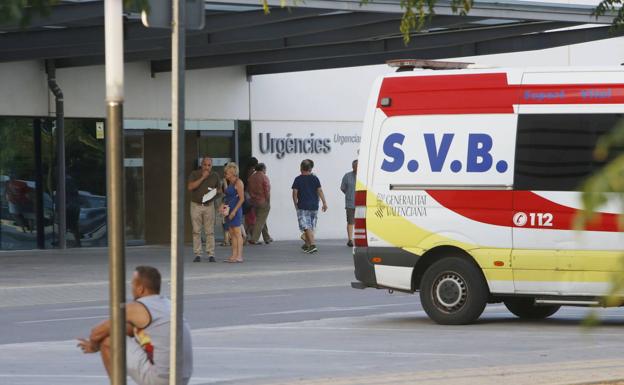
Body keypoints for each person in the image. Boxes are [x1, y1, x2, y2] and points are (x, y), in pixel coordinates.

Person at [77, 266, 193, 385]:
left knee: (109, 341)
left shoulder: (137, 307)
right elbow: (128, 330)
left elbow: (96, 333)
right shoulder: (168, 305)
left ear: (140, 289)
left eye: (133, 285)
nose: (131, 289)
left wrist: (94, 346)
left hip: (160, 379)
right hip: (181, 378)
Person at [187, 156, 221, 263]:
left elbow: (219, 189)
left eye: (209, 165)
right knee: (196, 230)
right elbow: (190, 187)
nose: (207, 167)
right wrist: (202, 178)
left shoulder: (215, 175)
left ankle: (211, 254)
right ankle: (198, 254)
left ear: (212, 166)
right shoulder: (194, 174)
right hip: (196, 205)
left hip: (209, 205)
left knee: (209, 231)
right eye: (205, 165)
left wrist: (215, 193)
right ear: (201, 165)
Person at [291, 159, 327, 254]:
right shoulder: (315, 178)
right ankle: (307, 244)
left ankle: (312, 245)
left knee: (306, 226)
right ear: (311, 168)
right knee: (310, 226)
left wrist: (296, 204)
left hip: (303, 206)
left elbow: (295, 193)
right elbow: (320, 191)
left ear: (301, 168)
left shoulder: (298, 179)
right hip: (314, 205)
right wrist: (324, 203)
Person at [221, 162, 245, 263]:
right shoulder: (230, 182)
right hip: (228, 210)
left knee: (237, 233)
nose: (225, 174)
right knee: (231, 233)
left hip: (235, 211)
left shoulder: (238, 182)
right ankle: (234, 255)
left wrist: (234, 212)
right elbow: (228, 196)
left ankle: (239, 256)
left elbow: (242, 199)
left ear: (232, 172)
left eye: (227, 172)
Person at [247, 163, 273, 245]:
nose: (266, 171)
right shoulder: (264, 177)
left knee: (261, 219)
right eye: (265, 169)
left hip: (254, 202)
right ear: (263, 169)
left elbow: (248, 189)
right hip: (263, 201)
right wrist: (268, 201)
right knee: (260, 220)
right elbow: (267, 190)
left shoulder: (251, 177)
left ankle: (267, 238)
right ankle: (254, 239)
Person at [340, 159, 358, 247]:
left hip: (363, 203)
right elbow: (343, 188)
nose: (357, 167)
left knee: (364, 222)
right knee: (350, 221)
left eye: (358, 166)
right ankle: (350, 239)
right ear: (353, 167)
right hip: (350, 203)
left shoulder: (365, 176)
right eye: (355, 166)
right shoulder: (347, 176)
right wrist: (349, 195)